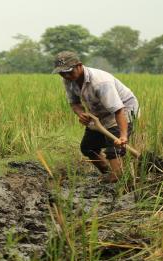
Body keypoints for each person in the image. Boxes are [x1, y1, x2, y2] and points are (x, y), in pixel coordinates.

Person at [53, 51, 139, 183]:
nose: (66, 75)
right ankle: (109, 173)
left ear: (79, 65)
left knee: (113, 149)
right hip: (99, 114)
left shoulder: (100, 82)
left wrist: (123, 135)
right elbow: (74, 103)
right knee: (88, 147)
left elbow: (118, 109)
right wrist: (80, 113)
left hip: (123, 110)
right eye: (62, 73)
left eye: (69, 72)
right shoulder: (68, 80)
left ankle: (118, 180)